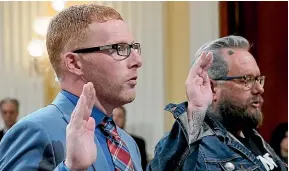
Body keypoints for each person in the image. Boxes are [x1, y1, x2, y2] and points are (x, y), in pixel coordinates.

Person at [0, 4, 143, 171]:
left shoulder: (128, 143)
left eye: (134, 47)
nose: (137, 61)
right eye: (120, 49)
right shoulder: (34, 131)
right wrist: (70, 168)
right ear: (74, 63)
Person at [147, 35, 288, 171]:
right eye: (247, 79)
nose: (259, 89)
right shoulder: (192, 148)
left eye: (258, 79)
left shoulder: (252, 137)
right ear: (212, 88)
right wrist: (195, 110)